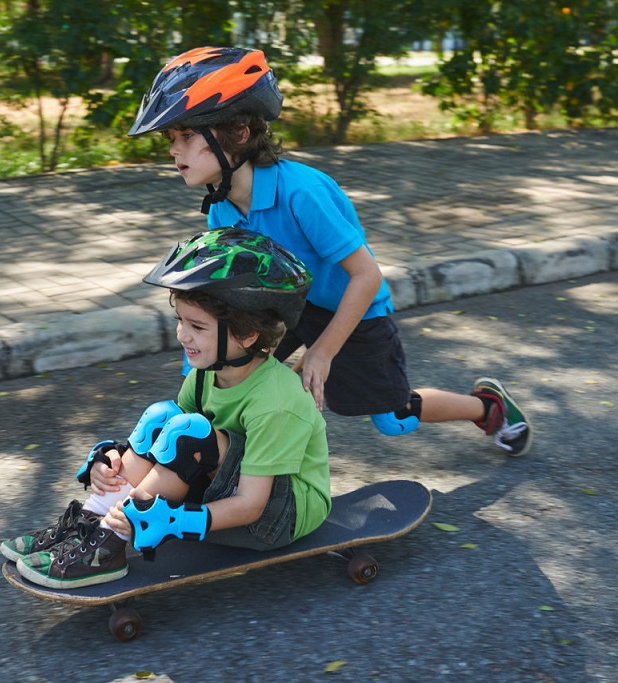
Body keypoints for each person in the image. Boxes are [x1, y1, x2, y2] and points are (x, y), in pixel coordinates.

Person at [127, 46, 532, 457]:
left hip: (351, 307)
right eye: (171, 138)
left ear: (239, 133)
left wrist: (320, 352)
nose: (174, 150)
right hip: (289, 304)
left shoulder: (303, 192)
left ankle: (488, 407)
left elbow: (367, 275)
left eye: (187, 136)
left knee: (394, 418)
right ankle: (222, 465)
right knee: (224, 373)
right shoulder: (222, 206)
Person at [0, 227, 331, 589]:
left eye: (197, 326)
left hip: (277, 518)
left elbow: (251, 505)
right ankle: (92, 521)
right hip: (230, 496)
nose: (182, 335)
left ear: (248, 335)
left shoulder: (277, 403)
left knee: (190, 434)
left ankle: (110, 543)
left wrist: (176, 521)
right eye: (180, 321)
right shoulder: (206, 375)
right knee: (163, 417)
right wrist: (113, 468)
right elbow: (167, 449)